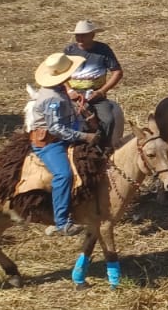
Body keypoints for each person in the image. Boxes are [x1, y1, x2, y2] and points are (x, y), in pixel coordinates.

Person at [26, 51, 98, 235]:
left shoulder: (58, 90)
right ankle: (61, 221)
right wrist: (83, 136)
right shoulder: (52, 98)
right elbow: (56, 128)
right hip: (51, 143)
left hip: (64, 135)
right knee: (63, 175)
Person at [65, 19, 124, 141]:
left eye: (83, 35)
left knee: (108, 119)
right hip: (72, 94)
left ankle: (105, 147)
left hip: (95, 95)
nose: (79, 38)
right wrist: (69, 90)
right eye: (77, 35)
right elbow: (60, 74)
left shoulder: (103, 50)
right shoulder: (69, 50)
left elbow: (117, 72)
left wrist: (101, 91)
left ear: (92, 35)